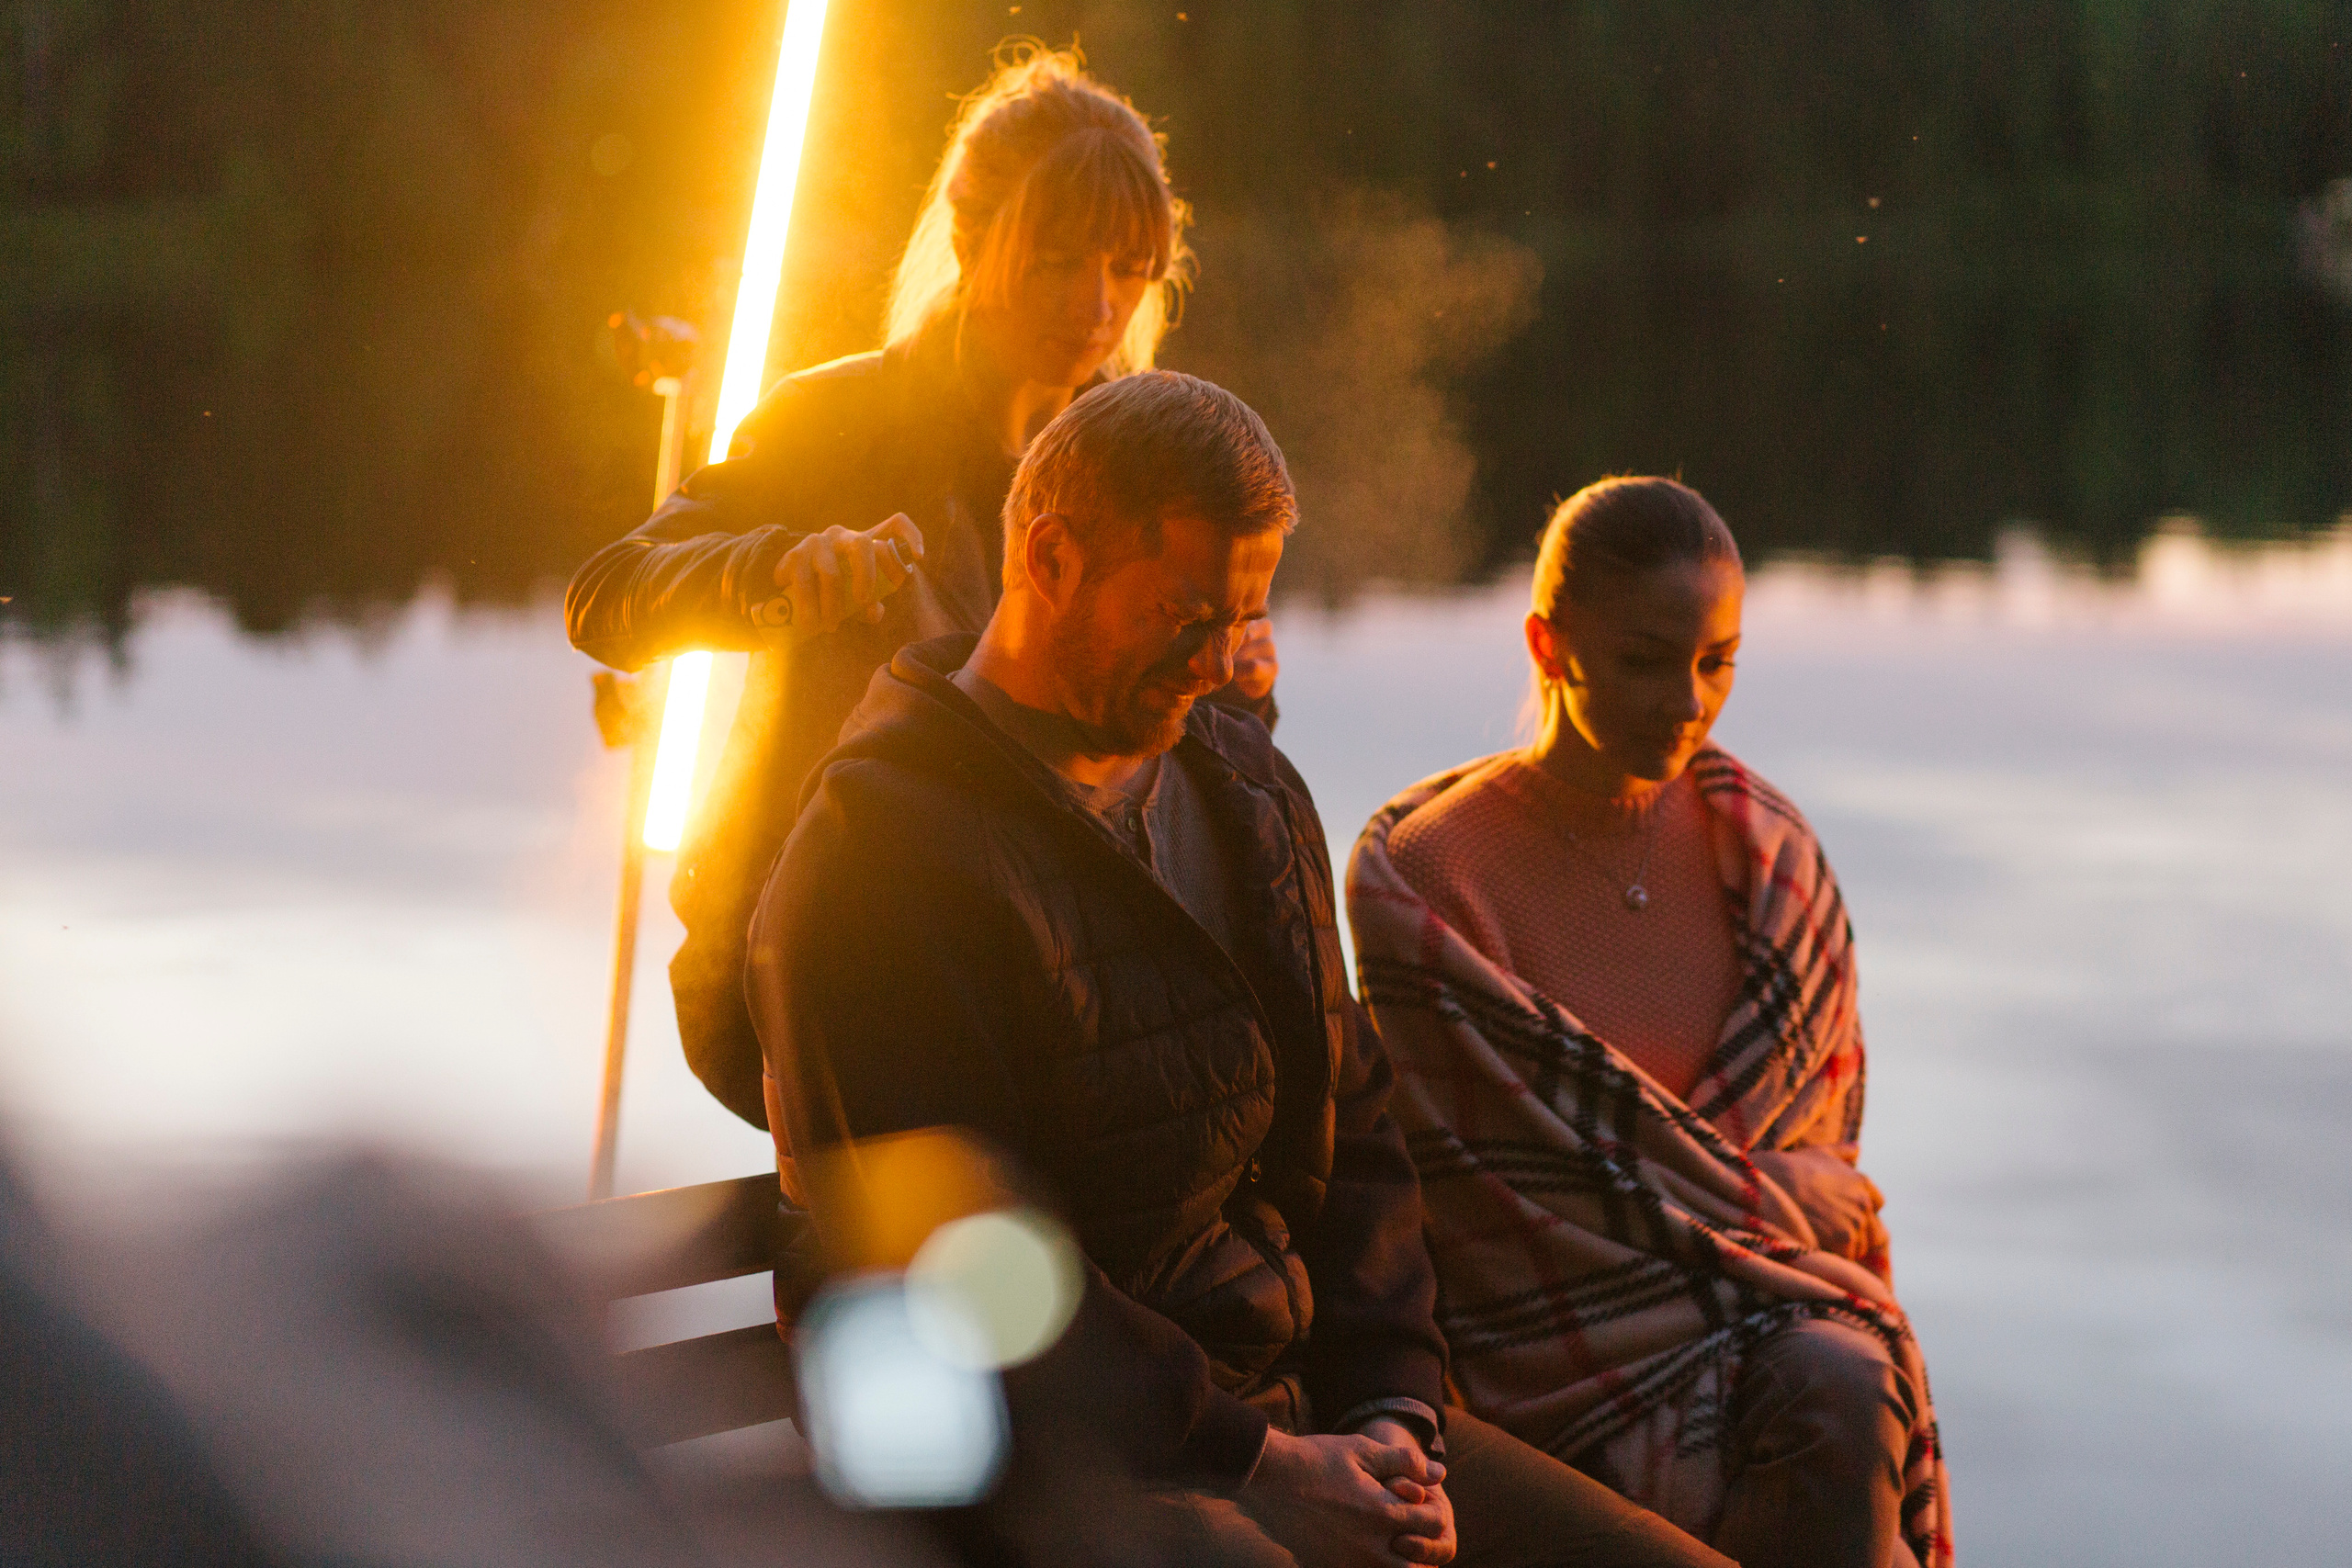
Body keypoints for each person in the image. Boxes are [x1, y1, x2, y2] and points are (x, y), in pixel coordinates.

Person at [747, 375, 1729, 1568]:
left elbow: (1356, 1124)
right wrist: (1257, 1466)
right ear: (1049, 557)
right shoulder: (881, 856)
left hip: (1285, 1409)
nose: (1221, 660)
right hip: (1015, 1465)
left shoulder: (1243, 788)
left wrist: (1393, 1412)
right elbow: (971, 1264)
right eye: (1184, 612)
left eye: (1244, 615)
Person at [564, 47, 1276, 1128]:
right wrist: (770, 574)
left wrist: (1235, 688)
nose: (1097, 305)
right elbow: (607, 597)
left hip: (1053, 957)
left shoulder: (1144, 455)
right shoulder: (840, 425)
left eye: (1129, 269)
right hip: (817, 955)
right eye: (1056, 261)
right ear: (968, 237)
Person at [1344, 478, 1955, 1568]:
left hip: (1763, 1321)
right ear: (1549, 643)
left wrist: (1760, 1210)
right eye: (1642, 660)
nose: (1686, 700)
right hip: (1536, 1348)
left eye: (1716, 661)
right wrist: (1766, 1198)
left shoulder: (1769, 861)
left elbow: (1825, 1177)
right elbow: (1481, 1196)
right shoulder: (1436, 880)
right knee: (1830, 1392)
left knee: (1843, 1378)